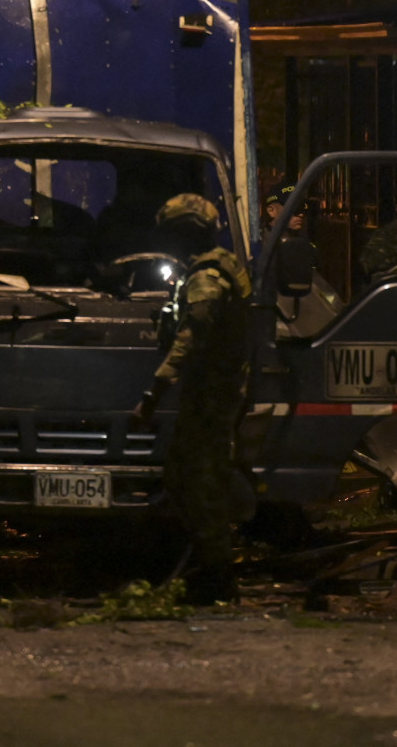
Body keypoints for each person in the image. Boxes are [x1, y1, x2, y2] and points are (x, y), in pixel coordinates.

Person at [131, 193, 253, 604]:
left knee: (201, 485)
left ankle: (218, 581)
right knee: (185, 478)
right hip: (214, 394)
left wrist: (153, 395)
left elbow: (189, 343)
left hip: (212, 398)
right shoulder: (217, 267)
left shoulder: (207, 280)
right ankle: (205, 568)